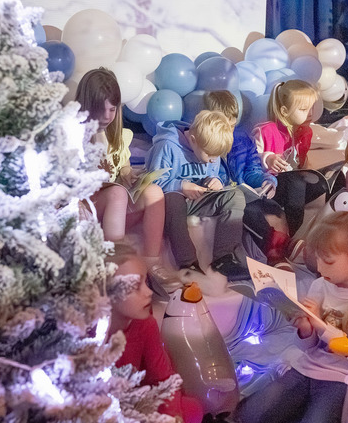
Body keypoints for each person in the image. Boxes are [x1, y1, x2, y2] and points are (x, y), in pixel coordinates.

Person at [235, 211, 348, 423]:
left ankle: (319, 411)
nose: (320, 268)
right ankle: (309, 405)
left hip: (344, 377)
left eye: (328, 261)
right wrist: (304, 329)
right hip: (308, 369)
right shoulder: (320, 285)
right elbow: (308, 347)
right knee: (250, 416)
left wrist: (320, 325)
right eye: (318, 259)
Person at [106, 244, 202, 423]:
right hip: (101, 410)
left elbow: (164, 378)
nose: (149, 292)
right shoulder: (87, 333)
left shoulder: (146, 324)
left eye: (147, 283)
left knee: (192, 410)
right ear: (106, 294)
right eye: (136, 286)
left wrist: (172, 422)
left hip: (137, 402)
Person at [145, 110, 248, 280]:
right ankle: (188, 264)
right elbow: (151, 184)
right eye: (209, 154)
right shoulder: (167, 145)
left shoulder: (209, 150)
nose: (213, 161)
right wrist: (180, 185)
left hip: (197, 200)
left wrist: (215, 180)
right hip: (169, 203)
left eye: (217, 156)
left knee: (234, 195)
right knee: (173, 198)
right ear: (193, 140)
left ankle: (224, 259)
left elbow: (212, 171)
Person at [76, 68, 164, 261]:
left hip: (114, 205)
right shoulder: (74, 137)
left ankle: (152, 261)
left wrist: (127, 171)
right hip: (85, 206)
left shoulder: (116, 136)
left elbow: (122, 161)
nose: (107, 116)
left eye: (112, 109)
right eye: (101, 109)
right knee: (117, 193)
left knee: (154, 193)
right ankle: (118, 260)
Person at [204, 90, 288, 264]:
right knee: (254, 214)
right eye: (224, 127)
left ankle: (282, 251)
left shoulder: (242, 140)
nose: (230, 131)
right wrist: (214, 183)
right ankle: (274, 256)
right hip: (225, 198)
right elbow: (204, 174)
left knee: (274, 209)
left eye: (233, 126)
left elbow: (252, 170)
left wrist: (265, 181)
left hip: (246, 192)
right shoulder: (205, 143)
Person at [253, 80, 334, 235]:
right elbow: (248, 161)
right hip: (269, 185)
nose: (310, 113)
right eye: (304, 109)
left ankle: (327, 230)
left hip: (292, 182)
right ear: (284, 111)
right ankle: (290, 235)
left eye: (312, 108)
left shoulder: (305, 132)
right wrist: (268, 159)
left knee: (324, 183)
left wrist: (311, 172)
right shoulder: (266, 130)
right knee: (295, 183)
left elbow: (301, 162)